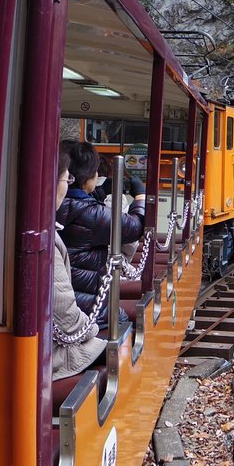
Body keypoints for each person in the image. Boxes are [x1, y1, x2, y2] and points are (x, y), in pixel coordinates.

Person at [57, 141, 146, 329]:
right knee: (123, 320)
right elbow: (135, 227)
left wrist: (97, 193)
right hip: (87, 309)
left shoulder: (53, 204)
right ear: (87, 177)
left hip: (55, 304)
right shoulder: (91, 214)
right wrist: (140, 197)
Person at [53, 147, 106, 381]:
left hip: (75, 306)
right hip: (56, 346)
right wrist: (140, 198)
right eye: (66, 178)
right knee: (122, 333)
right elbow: (68, 319)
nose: (66, 184)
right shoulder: (45, 238)